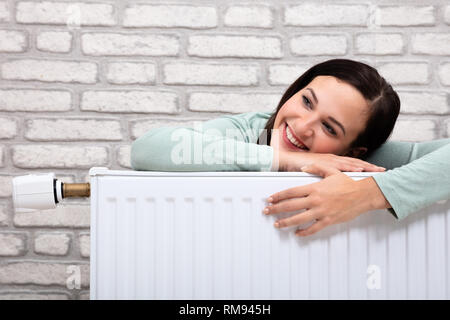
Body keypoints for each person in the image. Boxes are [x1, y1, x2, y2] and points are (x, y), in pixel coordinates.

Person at [131, 59, 450, 236]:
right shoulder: (250, 131)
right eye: (306, 101)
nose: (301, 125)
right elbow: (148, 149)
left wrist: (365, 193)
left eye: (329, 127)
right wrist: (286, 160)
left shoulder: (356, 165)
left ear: (354, 153)